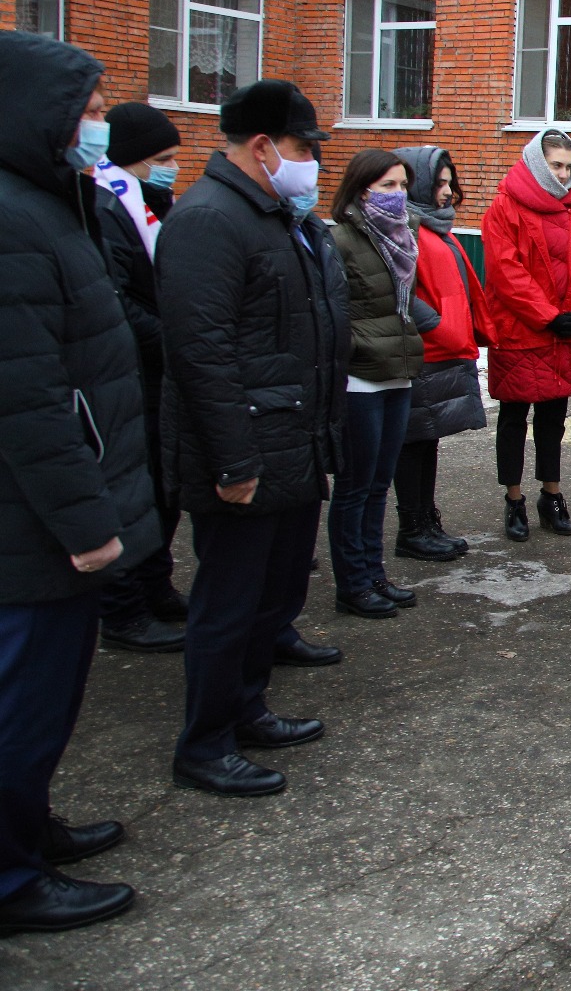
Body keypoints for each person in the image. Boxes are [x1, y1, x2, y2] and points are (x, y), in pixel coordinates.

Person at [0, 34, 157, 936]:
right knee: (19, 703)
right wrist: (86, 521)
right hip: (29, 533)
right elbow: (26, 400)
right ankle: (9, 877)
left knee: (46, 702)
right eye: (88, 111)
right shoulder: (12, 220)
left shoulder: (47, 204)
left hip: (49, 523)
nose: (99, 125)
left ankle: (29, 827)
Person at [157, 80, 348, 797]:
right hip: (246, 457)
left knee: (274, 595)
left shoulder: (269, 215)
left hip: (290, 444)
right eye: (304, 150)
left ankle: (248, 707)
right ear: (263, 146)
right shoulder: (208, 220)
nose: (313, 166)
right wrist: (234, 460)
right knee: (229, 605)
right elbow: (200, 354)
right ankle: (205, 742)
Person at [91, 103, 190, 652]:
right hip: (130, 376)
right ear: (131, 160)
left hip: (158, 374)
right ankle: (122, 609)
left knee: (162, 488)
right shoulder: (107, 209)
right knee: (135, 492)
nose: (171, 168)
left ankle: (156, 586)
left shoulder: (151, 205)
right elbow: (118, 303)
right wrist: (175, 337)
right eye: (162, 159)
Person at [482, 131, 571, 542]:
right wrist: (548, 316)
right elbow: (505, 272)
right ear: (537, 162)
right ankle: (513, 499)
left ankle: (551, 495)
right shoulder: (505, 206)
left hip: (563, 330)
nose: (564, 173)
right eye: (556, 165)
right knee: (515, 417)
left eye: (569, 166)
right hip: (521, 330)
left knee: (554, 419)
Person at [327, 149, 431, 619]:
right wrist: (360, 349)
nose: (397, 195)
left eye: (403, 186)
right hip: (361, 378)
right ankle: (352, 583)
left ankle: (374, 573)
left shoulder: (402, 237)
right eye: (387, 186)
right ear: (360, 188)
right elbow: (335, 312)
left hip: (398, 371)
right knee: (355, 485)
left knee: (378, 485)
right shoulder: (341, 239)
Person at [392, 146, 488, 565]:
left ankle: (426, 521)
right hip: (421, 351)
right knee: (413, 443)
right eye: (439, 183)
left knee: (426, 439)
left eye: (450, 182)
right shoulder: (405, 228)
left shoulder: (432, 227)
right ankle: (412, 528)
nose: (447, 191)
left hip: (440, 348)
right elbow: (402, 291)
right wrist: (438, 326)